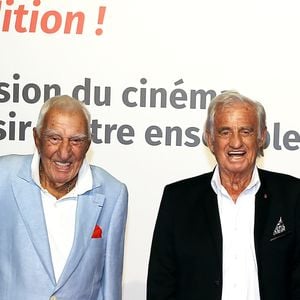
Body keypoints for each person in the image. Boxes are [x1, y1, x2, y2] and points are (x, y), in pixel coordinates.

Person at [147, 90, 300, 300]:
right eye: (225, 132)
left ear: (261, 137)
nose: (236, 143)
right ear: (210, 139)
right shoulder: (177, 199)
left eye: (246, 131)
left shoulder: (292, 195)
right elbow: (161, 285)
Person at [0, 95, 128, 300]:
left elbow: (110, 287)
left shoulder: (113, 193)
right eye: (54, 138)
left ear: (88, 145)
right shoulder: (3, 177)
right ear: (37, 138)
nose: (64, 152)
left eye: (76, 140)